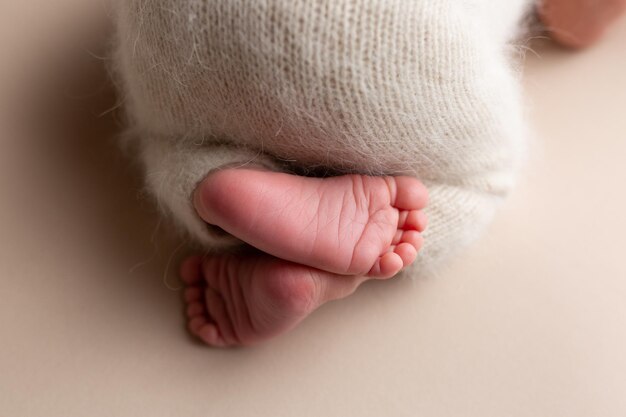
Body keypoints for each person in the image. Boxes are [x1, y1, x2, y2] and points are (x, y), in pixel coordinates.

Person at [113, 0, 624, 347]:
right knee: (484, 180)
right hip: (381, 37)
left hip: (168, 27)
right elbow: (574, 22)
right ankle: (335, 258)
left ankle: (208, 186)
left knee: (172, 138)